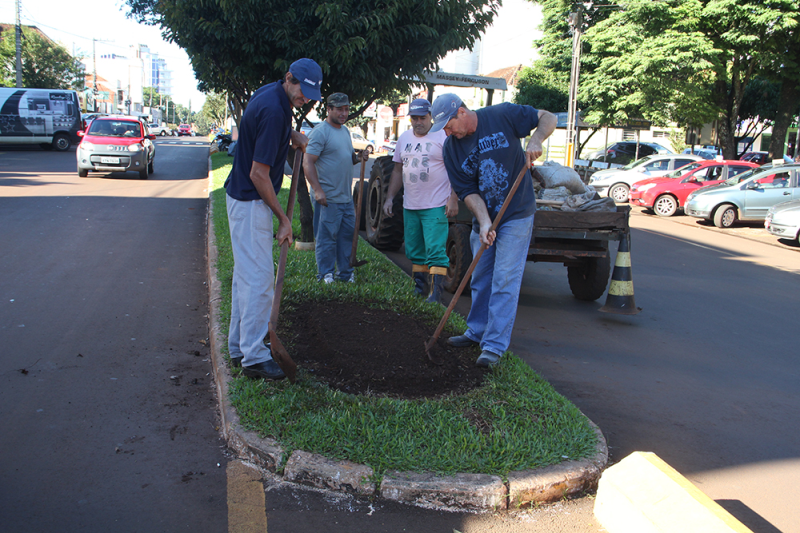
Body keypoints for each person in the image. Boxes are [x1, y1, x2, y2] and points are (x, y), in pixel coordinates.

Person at [429, 93, 556, 368]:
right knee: (481, 276)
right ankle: (476, 331)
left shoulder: (502, 115)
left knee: (504, 279)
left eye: (449, 125)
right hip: (484, 217)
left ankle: (494, 346)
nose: (448, 132)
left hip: (516, 214)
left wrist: (536, 140)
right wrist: (485, 221)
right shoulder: (451, 148)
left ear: (462, 112)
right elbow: (467, 190)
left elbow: (548, 117)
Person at [225, 58, 323, 381]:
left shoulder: (271, 96)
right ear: (289, 78)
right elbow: (259, 174)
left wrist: (291, 134)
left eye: (309, 95)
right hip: (250, 201)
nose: (304, 98)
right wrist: (283, 218)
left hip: (240, 198)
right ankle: (253, 356)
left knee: (245, 274)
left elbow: (266, 126)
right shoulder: (273, 111)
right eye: (301, 91)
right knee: (260, 279)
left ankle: (239, 346)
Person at [382, 98, 458, 303]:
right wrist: (390, 198)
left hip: (435, 205)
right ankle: (420, 289)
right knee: (415, 249)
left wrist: (453, 198)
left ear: (430, 116)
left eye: (422, 118)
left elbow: (455, 171)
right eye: (414, 118)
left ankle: (436, 294)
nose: (418, 122)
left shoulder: (443, 136)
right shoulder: (404, 138)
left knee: (435, 249)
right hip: (410, 204)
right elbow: (397, 170)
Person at [303, 93, 369, 284]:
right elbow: (308, 162)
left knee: (346, 236)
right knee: (326, 237)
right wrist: (317, 190)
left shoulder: (345, 131)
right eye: (339, 109)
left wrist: (359, 157)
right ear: (329, 109)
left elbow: (348, 158)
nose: (343, 113)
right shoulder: (320, 132)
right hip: (327, 197)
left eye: (346, 109)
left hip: (346, 198)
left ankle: (345, 273)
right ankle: (325, 274)